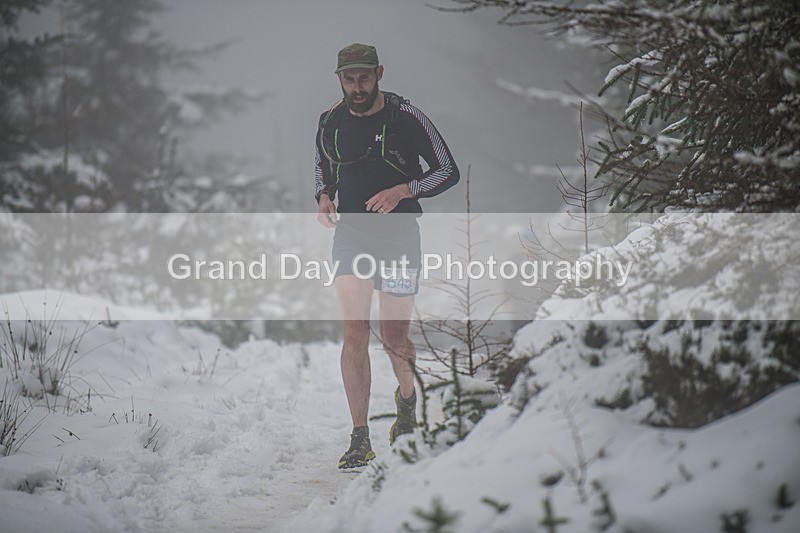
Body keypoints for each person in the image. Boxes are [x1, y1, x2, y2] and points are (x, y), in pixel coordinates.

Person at [314, 43, 459, 469]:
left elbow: (447, 170)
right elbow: (323, 164)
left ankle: (407, 407)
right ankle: (360, 437)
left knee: (394, 336)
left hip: (398, 240)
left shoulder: (406, 117)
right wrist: (324, 196)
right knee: (355, 333)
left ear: (379, 73)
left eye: (364, 78)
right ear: (339, 79)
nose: (357, 88)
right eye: (348, 80)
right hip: (352, 237)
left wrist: (403, 191)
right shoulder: (330, 120)